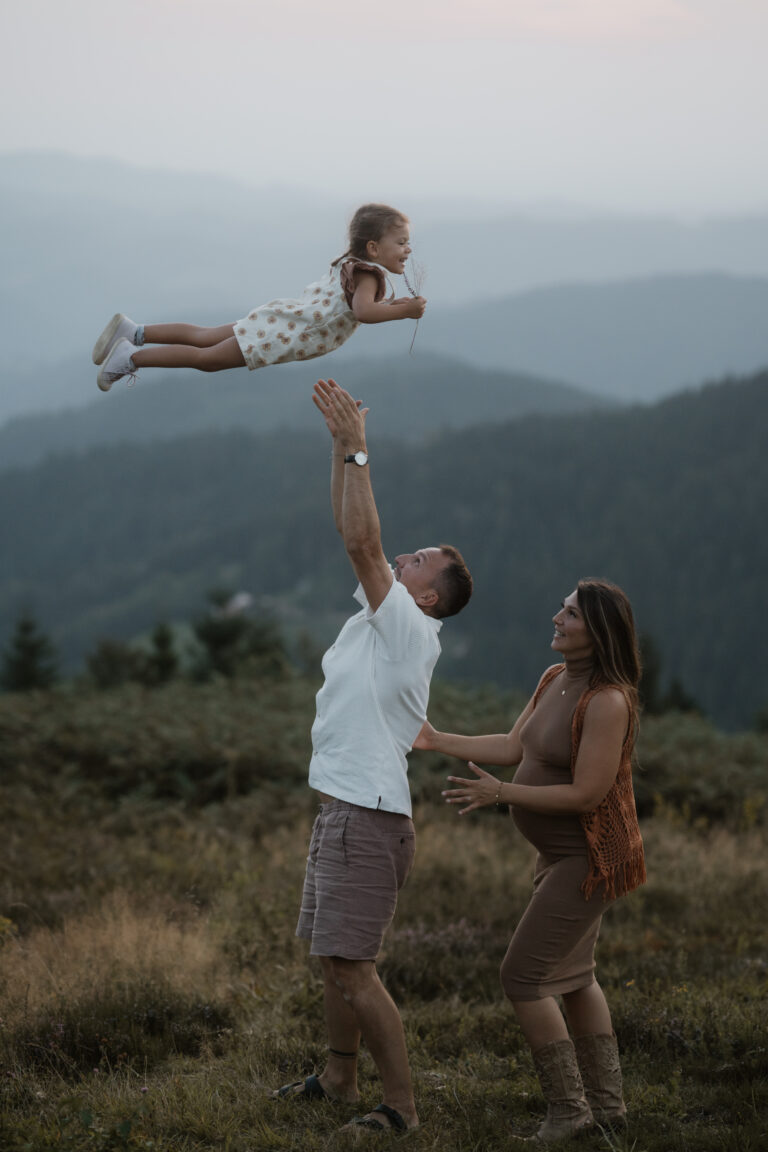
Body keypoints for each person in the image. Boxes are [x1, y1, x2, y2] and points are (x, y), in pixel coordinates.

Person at [272, 377, 472, 1134]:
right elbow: (350, 534)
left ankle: (403, 1110)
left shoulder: (411, 631)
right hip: (344, 811)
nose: (401, 557)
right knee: (334, 961)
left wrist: (359, 449)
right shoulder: (377, 619)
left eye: (417, 560)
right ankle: (338, 1078)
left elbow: (362, 542)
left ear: (427, 598)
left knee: (356, 970)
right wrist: (338, 448)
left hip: (369, 817)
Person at [414, 579, 646, 1144]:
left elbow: (588, 795)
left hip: (590, 858)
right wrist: (437, 738)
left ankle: (571, 1114)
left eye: (569, 615)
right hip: (558, 855)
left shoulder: (608, 700)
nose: (556, 618)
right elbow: (514, 748)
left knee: (522, 977)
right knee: (575, 978)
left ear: (597, 631)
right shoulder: (554, 679)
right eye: (561, 610)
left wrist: (504, 795)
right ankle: (608, 1110)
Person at [92, 204, 425, 392]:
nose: (407, 250)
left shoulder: (351, 265)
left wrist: (392, 306)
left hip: (278, 319)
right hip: (281, 335)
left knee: (203, 336)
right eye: (401, 242)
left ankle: (135, 331)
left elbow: (354, 306)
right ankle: (132, 358)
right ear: (373, 248)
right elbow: (363, 312)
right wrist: (403, 313)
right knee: (207, 359)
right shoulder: (369, 275)